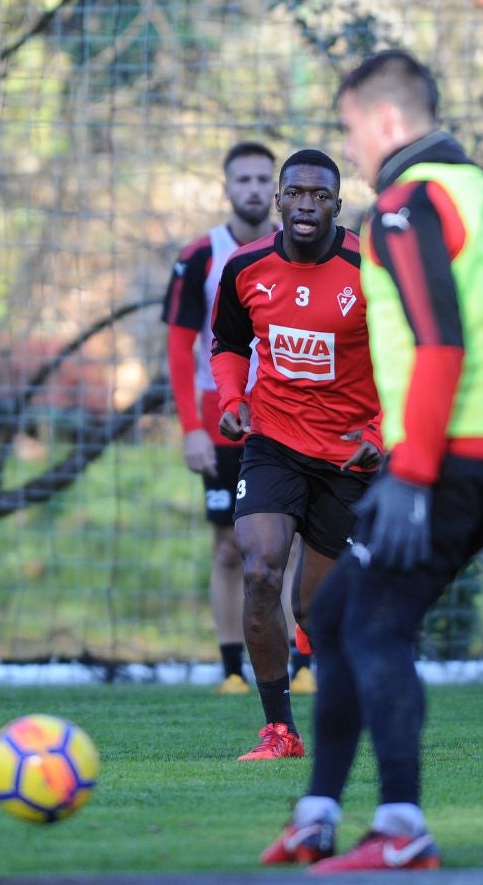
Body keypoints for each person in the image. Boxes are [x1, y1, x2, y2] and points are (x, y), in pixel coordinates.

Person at [260, 50, 483, 872]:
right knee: (332, 615)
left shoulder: (403, 206)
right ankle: (317, 815)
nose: (351, 148)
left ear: (385, 121)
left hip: (444, 459)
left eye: (351, 127)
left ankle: (401, 829)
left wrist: (417, 470)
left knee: (377, 626)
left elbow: (438, 340)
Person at [211, 149, 382, 761]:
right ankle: (279, 731)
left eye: (321, 196)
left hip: (347, 457)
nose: (307, 205)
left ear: (338, 204)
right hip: (273, 442)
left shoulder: (371, 270)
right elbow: (228, 344)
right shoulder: (244, 268)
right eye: (297, 193)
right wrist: (232, 397)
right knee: (259, 571)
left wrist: (382, 434)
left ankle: (362, 691)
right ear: (280, 200)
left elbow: (408, 357)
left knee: (315, 608)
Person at [163, 142, 313, 696]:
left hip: (290, 420)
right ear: (226, 187)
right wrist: (191, 428)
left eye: (260, 180)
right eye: (242, 179)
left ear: (274, 193)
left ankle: (303, 665)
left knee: (293, 544)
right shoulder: (201, 256)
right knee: (231, 546)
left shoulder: (301, 252)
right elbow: (181, 350)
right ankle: (231, 668)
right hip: (223, 422)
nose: (251, 189)